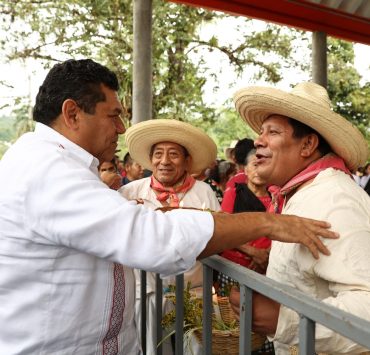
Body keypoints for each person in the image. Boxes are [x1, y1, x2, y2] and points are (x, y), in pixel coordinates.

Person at [0, 60, 338, 354]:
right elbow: (153, 237)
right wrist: (267, 223)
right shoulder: (47, 172)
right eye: (113, 115)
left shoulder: (54, 165)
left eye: (272, 132)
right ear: (72, 113)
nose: (120, 128)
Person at [230, 82, 370, 354]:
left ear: (307, 144)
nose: (258, 140)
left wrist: (283, 319)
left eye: (273, 132)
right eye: (261, 132)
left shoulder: (335, 199)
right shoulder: (302, 193)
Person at [119, 118, 221, 354]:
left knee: (196, 350)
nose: (164, 161)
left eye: (174, 154)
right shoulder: (130, 192)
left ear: (187, 161)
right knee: (151, 349)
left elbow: (217, 238)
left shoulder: (204, 192)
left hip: (194, 296)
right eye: (158, 154)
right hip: (146, 294)